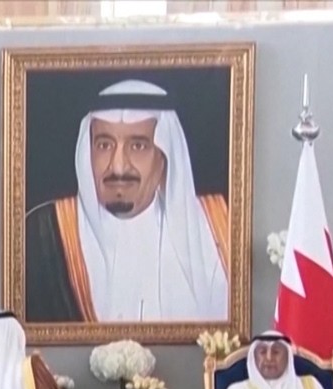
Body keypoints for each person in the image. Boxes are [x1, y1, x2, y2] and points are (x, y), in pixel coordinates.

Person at [25, 79, 230, 324]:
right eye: (104, 145)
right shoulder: (43, 235)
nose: (119, 166)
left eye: (138, 146)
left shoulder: (216, 230)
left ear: (164, 156)